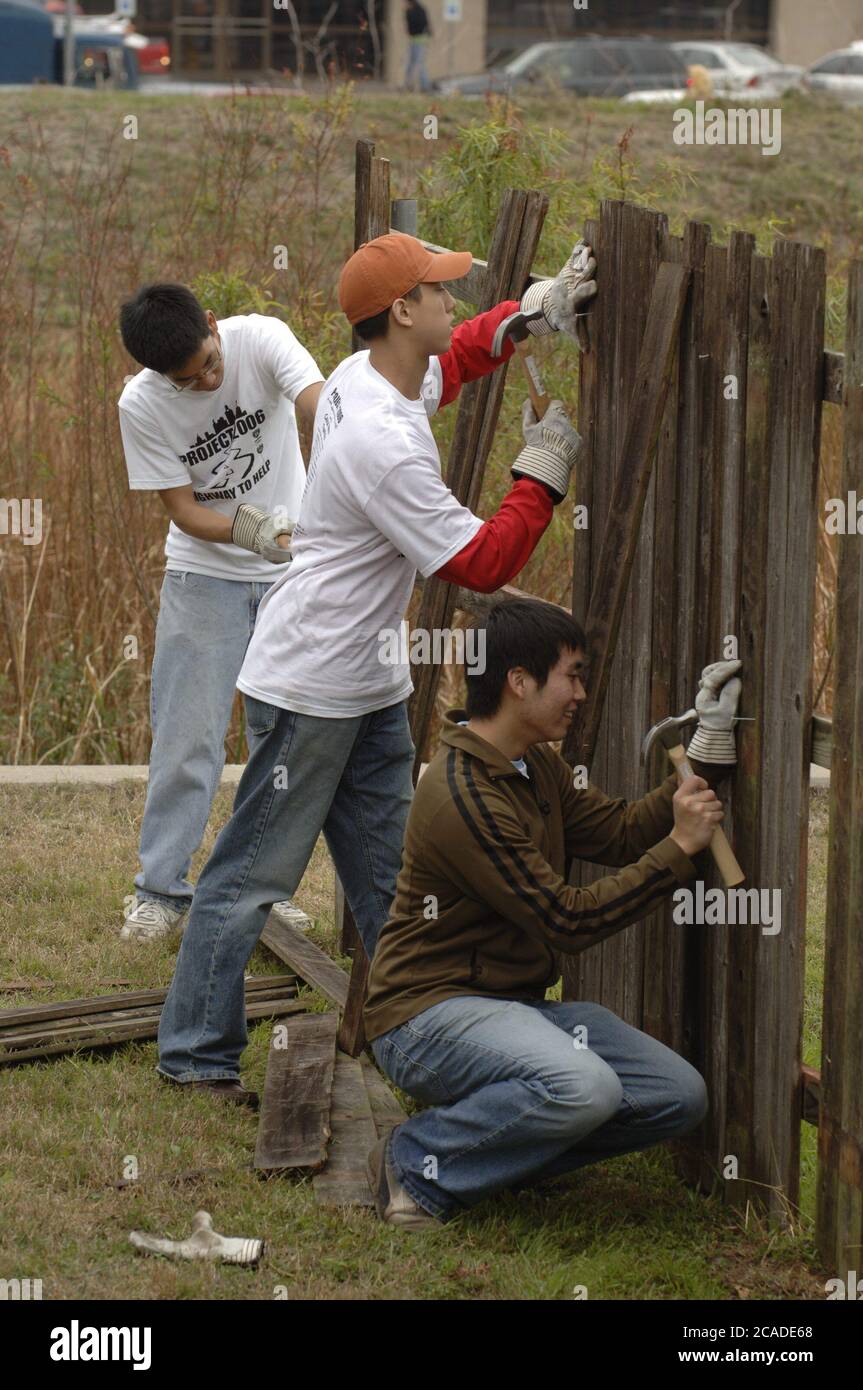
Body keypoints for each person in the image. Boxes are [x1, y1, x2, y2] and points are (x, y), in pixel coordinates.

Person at [155, 231, 598, 1104]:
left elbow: (458, 361)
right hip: (310, 684)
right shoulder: (382, 445)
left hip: (366, 685)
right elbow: (479, 563)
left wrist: (527, 316)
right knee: (249, 879)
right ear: (401, 310)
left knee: (396, 883)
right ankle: (196, 1054)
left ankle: (414, 1031)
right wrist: (538, 476)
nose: (451, 303)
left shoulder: (369, 377)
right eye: (439, 291)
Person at [363, 598, 742, 1228]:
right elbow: (567, 921)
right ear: (519, 681)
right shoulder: (463, 794)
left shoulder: (533, 763)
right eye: (572, 674)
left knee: (678, 1096)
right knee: (584, 1087)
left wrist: (704, 748)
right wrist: (678, 852)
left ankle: (495, 1161)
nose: (581, 692)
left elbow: (618, 832)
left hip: (511, 1009)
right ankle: (417, 1159)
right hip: (425, 1017)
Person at [117, 284, 324, 942]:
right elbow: (182, 509)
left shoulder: (261, 339)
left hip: (291, 575)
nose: (207, 380)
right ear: (157, 374)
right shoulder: (142, 405)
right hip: (203, 575)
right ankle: (160, 892)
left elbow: (319, 404)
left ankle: (262, 891)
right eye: (189, 380)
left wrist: (326, 500)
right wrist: (243, 534)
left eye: (211, 362)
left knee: (281, 738)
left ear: (213, 325)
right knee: (188, 737)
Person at [404, 0, 432, 93]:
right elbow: (409, 29)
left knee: (420, 64)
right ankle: (408, 85)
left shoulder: (419, 10)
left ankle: (425, 87)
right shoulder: (408, 11)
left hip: (421, 40)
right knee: (409, 64)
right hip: (413, 40)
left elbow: (423, 25)